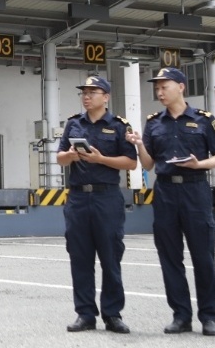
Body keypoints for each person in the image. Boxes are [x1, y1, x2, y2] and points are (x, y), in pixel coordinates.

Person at [125, 67, 215, 337]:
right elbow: (148, 164)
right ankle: (181, 316)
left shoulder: (204, 120)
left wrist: (199, 164)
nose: (159, 92)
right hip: (166, 192)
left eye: (164, 87)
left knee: (203, 256)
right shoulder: (154, 123)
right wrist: (139, 144)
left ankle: (208, 317)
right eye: (157, 88)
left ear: (181, 87)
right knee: (170, 257)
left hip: (195, 190)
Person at [57, 75, 138, 334]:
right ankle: (85, 314)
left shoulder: (118, 126)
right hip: (78, 198)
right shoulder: (73, 124)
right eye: (84, 92)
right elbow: (59, 158)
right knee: (80, 258)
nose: (86, 96)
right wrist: (70, 156)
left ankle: (112, 315)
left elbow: (131, 162)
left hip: (107, 197)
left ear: (106, 97)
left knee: (110, 257)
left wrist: (101, 159)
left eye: (92, 92)